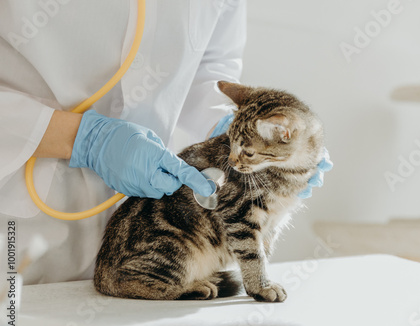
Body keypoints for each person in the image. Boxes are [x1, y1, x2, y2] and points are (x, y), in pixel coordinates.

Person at [0, 1, 330, 285]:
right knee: (16, 315)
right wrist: (85, 139)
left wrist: (225, 129)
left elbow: (210, 66)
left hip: (153, 238)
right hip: (18, 221)